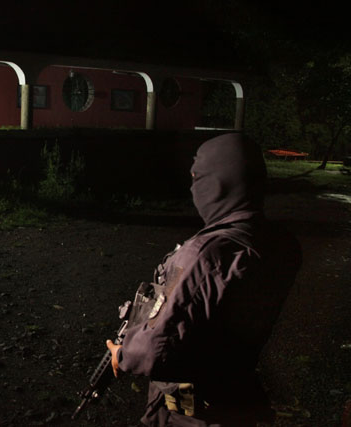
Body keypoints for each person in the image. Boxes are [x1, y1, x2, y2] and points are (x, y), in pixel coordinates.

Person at [106, 133, 302, 426]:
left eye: (198, 177)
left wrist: (122, 354)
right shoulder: (281, 243)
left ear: (220, 183)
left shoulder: (204, 255)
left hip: (195, 405)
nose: (194, 187)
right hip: (240, 392)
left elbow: (156, 348)